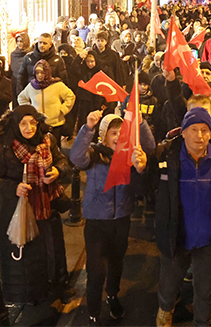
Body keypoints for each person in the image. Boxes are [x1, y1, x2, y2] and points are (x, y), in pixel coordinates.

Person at [150, 107, 211, 327]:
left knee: (204, 290)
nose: (199, 136)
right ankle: (165, 311)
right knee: (169, 284)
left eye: (204, 130)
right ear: (183, 131)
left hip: (208, 240)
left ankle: (202, 323)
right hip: (176, 237)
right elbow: (145, 188)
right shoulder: (165, 156)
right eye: (193, 129)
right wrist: (138, 169)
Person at [0, 106, 74, 304]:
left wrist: (58, 171)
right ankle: (30, 293)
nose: (29, 128)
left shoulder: (47, 140)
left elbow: (62, 161)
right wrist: (13, 188)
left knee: (52, 248)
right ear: (15, 125)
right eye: (23, 123)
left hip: (46, 205)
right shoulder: (4, 148)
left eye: (33, 122)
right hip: (19, 210)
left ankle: (59, 285)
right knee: (27, 254)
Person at [70, 110, 153, 325]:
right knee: (96, 270)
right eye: (113, 132)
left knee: (117, 263)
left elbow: (150, 149)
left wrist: (141, 124)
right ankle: (93, 310)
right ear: (104, 135)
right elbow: (76, 157)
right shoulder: (94, 154)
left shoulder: (129, 156)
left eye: (121, 133)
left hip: (121, 219)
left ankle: (113, 296)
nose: (117, 137)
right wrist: (87, 128)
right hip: (97, 221)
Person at [18, 60, 76, 146]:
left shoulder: (57, 85)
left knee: (54, 147)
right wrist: (30, 110)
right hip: (38, 124)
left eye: (42, 72)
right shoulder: (32, 86)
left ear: (47, 72)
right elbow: (21, 97)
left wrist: (62, 110)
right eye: (37, 72)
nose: (39, 75)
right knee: (39, 147)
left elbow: (70, 96)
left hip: (55, 124)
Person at [10, 32, 31, 106]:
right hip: (15, 83)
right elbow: (12, 69)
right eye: (18, 41)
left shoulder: (30, 55)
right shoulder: (13, 54)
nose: (19, 43)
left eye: (21, 41)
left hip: (26, 83)